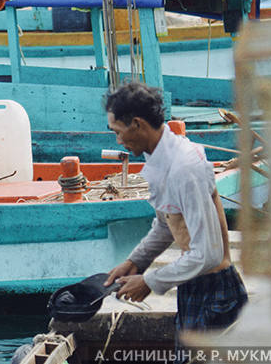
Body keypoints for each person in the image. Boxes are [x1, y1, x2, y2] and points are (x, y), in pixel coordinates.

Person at [103, 82, 247, 333]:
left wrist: (149, 281)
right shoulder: (160, 159)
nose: (118, 140)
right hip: (192, 284)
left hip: (216, 293)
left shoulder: (184, 167)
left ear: (137, 124)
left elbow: (208, 254)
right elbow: (166, 224)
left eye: (118, 131)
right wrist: (136, 261)